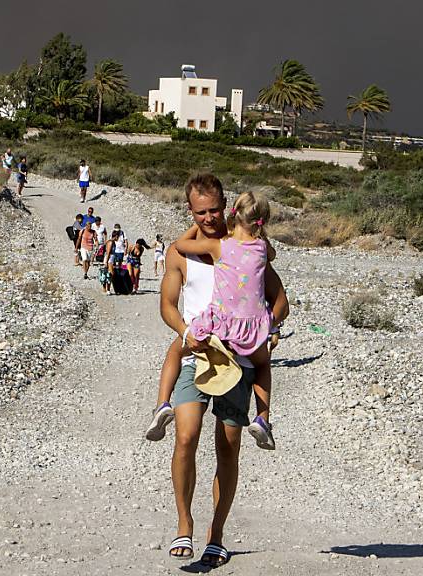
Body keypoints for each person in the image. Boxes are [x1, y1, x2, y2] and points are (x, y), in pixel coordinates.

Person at [155, 174, 288, 566]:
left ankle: (217, 534)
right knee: (185, 438)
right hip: (197, 353)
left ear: (225, 204)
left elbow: (279, 300)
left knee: (227, 449)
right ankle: (184, 524)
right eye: (201, 212)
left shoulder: (245, 245)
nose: (210, 217)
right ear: (190, 211)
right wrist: (184, 332)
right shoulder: (181, 253)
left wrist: (270, 330)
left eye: (215, 209)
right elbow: (167, 305)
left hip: (240, 361)